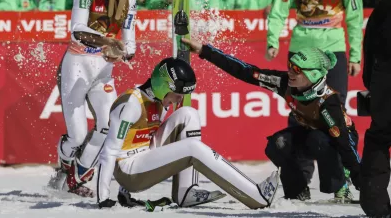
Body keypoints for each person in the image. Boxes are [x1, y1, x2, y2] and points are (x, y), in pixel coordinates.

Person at [182, 38, 361, 202]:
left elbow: (344, 142)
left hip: (339, 141)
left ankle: (341, 188)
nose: (290, 71)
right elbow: (246, 71)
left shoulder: (328, 102)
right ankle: (297, 190)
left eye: (297, 69)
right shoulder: (283, 82)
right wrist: (204, 51)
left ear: (314, 75)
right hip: (312, 135)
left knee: (320, 139)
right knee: (278, 143)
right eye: (291, 65)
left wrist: (361, 178)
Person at [97, 57, 279, 209]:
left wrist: (124, 196)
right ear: (164, 86)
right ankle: (256, 196)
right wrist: (104, 198)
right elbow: (110, 151)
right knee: (193, 148)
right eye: (178, 94)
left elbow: (145, 140)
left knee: (188, 114)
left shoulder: (159, 99)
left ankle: (186, 191)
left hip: (143, 159)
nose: (180, 98)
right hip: (129, 172)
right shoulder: (131, 104)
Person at [266, 0, 363, 199]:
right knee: (299, 116)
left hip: (332, 52)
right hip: (300, 51)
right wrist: (273, 40)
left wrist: (355, 55)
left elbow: (355, 18)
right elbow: (278, 7)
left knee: (335, 118)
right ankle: (298, 185)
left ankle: (341, 183)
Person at [52, 0, 148, 197]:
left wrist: (126, 50)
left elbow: (130, 40)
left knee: (109, 127)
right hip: (76, 66)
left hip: (103, 72)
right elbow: (77, 29)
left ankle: (78, 180)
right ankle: (64, 162)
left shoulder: (129, 0)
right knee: (78, 137)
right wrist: (107, 41)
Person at [360, 0, 391, 217]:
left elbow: (369, 50)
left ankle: (376, 205)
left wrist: (372, 86)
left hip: (385, 80)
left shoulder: (381, 10)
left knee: (378, 138)